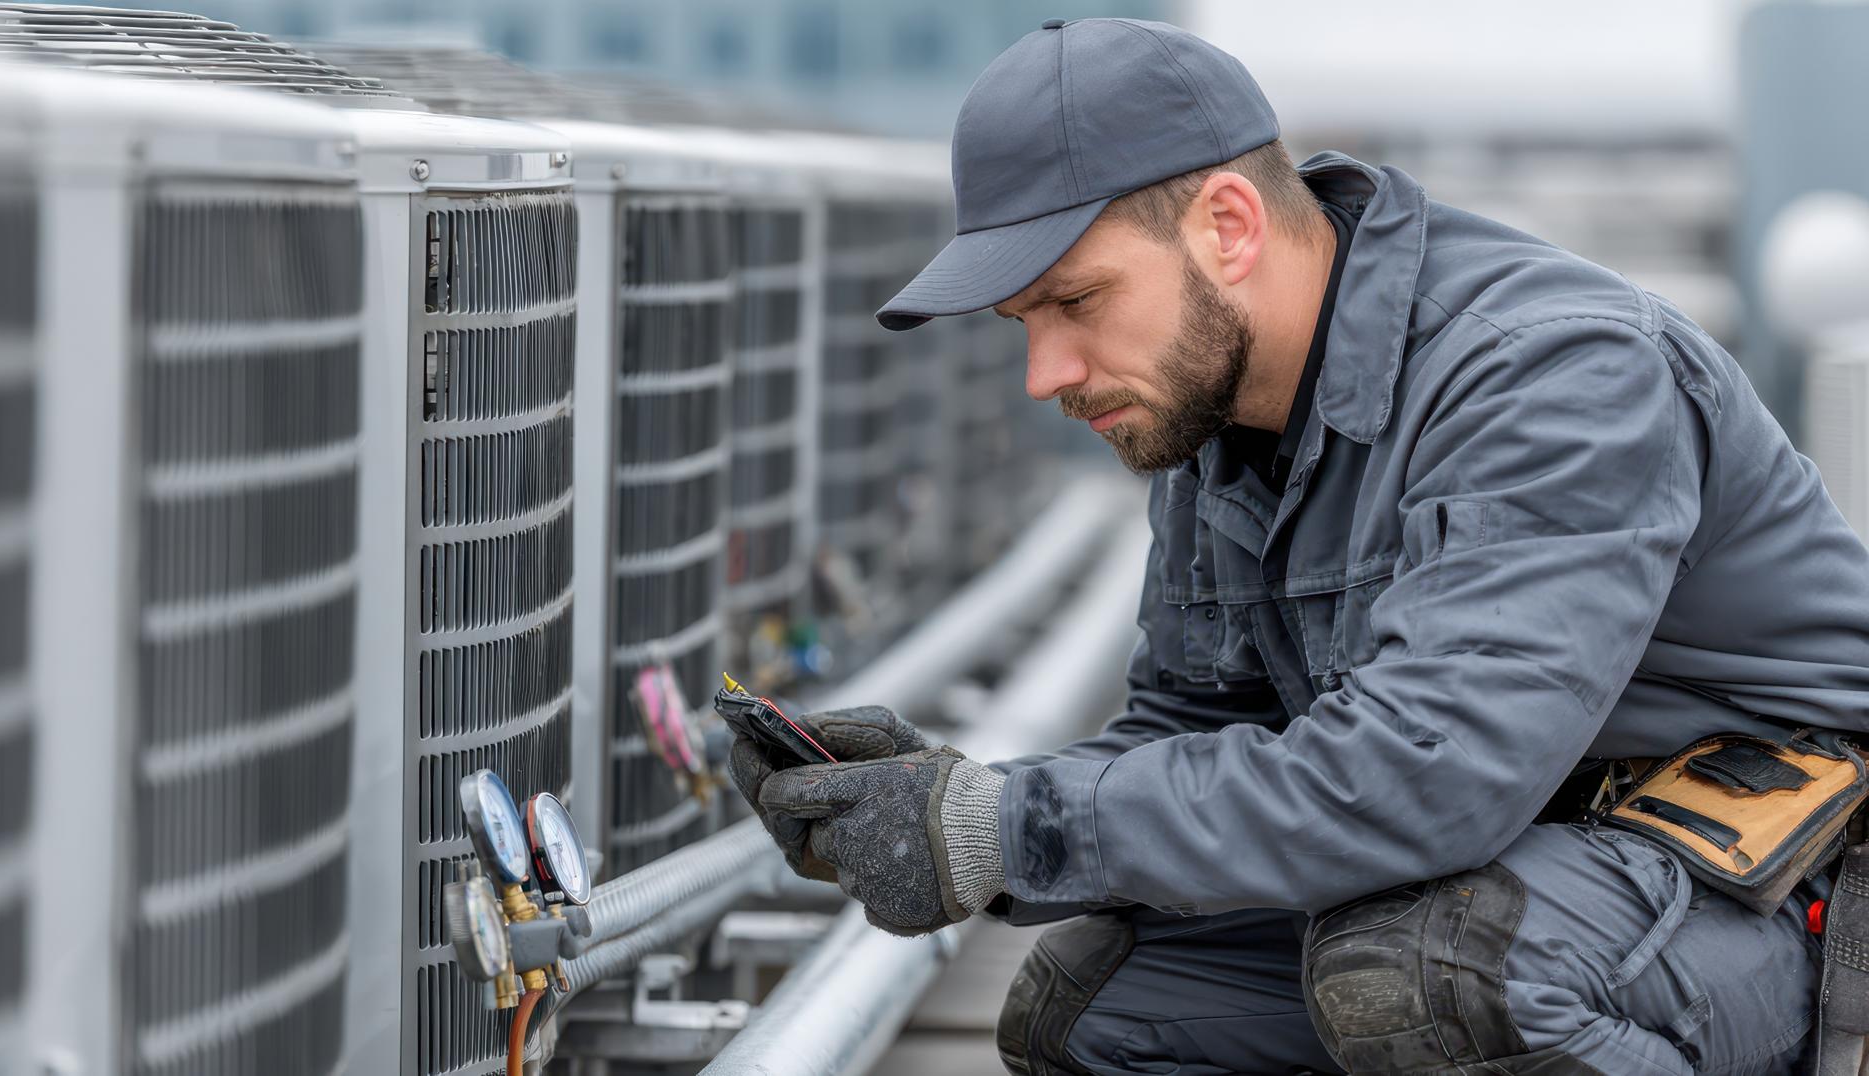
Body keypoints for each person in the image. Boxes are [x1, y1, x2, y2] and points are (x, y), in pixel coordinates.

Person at [726, 18, 1869, 1075]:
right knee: (1100, 1009)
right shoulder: (1218, 417)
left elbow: (1428, 774)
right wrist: (956, 797)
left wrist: (1002, 829)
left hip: (1779, 899)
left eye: (1076, 301)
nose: (1046, 374)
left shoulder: (1555, 374)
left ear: (1227, 224)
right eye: (1024, 324)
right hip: (1530, 870)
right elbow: (1193, 735)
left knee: (1427, 978)